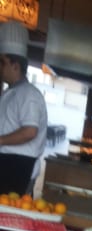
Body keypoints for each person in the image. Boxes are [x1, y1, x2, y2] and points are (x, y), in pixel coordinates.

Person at [0, 20, 47, 195]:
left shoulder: (29, 94)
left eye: (2, 62)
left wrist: (0, 140)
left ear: (15, 66)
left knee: (11, 210)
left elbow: (29, 132)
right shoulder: (10, 93)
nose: (0, 67)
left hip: (19, 167)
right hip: (8, 164)